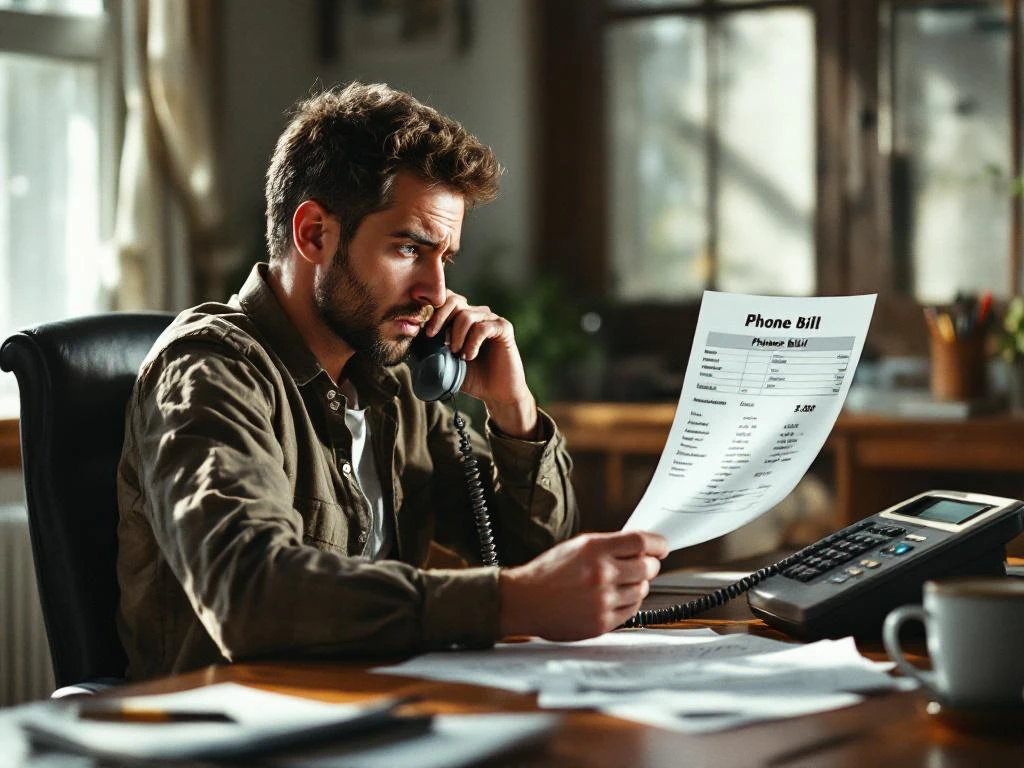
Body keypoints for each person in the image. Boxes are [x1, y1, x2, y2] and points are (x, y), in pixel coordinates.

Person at [116, 82, 668, 681]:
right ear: (314, 235)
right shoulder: (209, 370)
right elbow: (250, 594)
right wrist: (509, 601)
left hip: (385, 713)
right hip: (239, 733)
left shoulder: (395, 383)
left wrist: (514, 413)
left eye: (444, 259)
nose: (435, 291)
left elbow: (538, 561)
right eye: (409, 248)